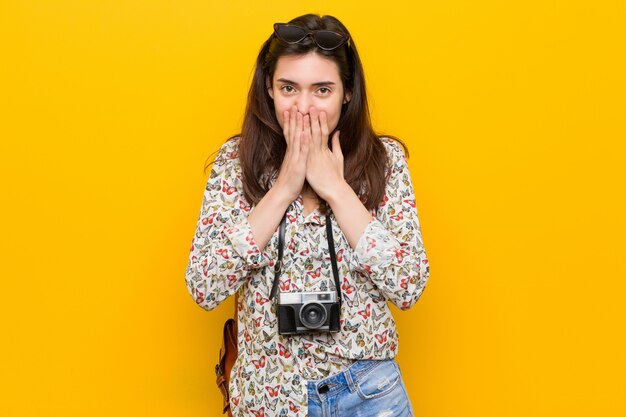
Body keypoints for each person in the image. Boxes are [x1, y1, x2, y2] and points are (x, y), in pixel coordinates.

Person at [185, 13, 430, 417]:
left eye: (322, 90)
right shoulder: (235, 162)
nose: (303, 107)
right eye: (288, 88)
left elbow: (408, 286)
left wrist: (335, 188)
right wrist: (283, 188)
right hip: (270, 396)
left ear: (347, 93)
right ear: (269, 89)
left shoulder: (384, 162)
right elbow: (204, 287)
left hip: (368, 393)